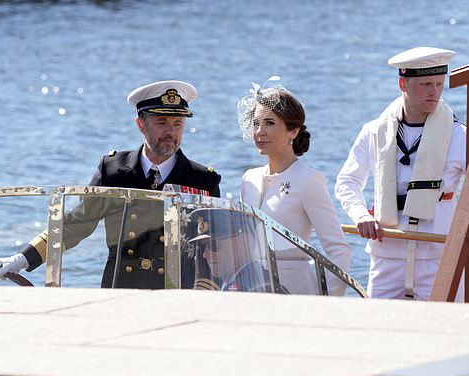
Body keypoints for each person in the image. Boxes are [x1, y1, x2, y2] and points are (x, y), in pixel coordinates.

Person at [0, 80, 221, 289]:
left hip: (180, 289)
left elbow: (216, 246)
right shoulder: (113, 170)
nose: (171, 131)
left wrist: (207, 290)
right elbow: (77, 224)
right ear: (141, 124)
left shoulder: (203, 180)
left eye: (178, 123)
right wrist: (22, 259)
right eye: (161, 122)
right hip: (122, 287)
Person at [335, 47, 466, 301]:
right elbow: (347, 182)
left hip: (438, 253)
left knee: (442, 332)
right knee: (381, 332)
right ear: (402, 84)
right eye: (426, 83)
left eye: (439, 84)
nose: (434, 92)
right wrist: (361, 215)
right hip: (387, 254)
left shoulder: (460, 135)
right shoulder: (373, 131)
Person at [238, 85, 351, 295]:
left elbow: (339, 251)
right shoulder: (249, 179)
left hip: (296, 293)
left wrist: (326, 302)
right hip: (253, 290)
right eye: (256, 124)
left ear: (293, 131)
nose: (259, 131)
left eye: (269, 123)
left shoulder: (309, 180)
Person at [188, 208, 275, 293]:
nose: (205, 254)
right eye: (203, 246)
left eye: (212, 245)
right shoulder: (246, 286)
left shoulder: (255, 290)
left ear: (242, 243)